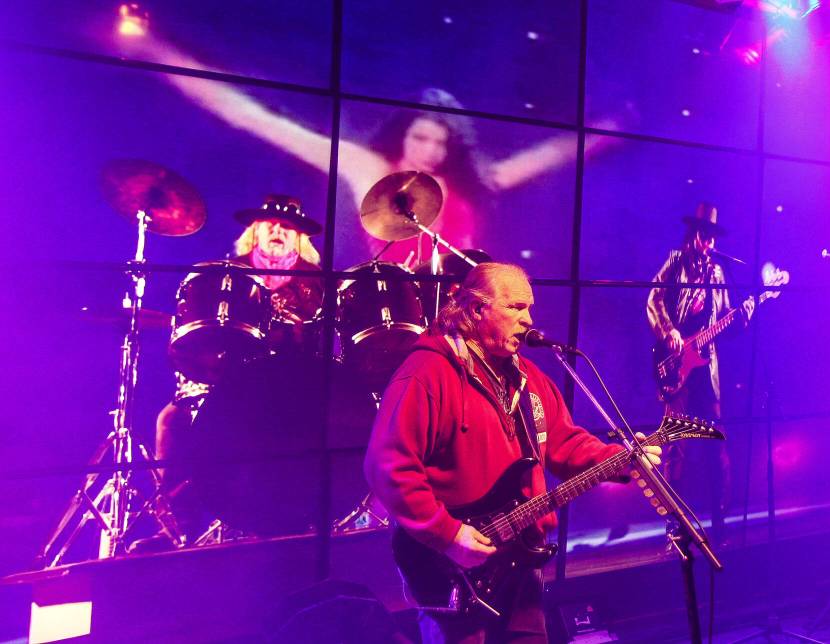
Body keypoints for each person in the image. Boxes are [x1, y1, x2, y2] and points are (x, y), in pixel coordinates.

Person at [118, 30, 625, 267]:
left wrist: (609, 131)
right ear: (404, 135)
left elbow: (549, 157)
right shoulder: (369, 167)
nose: (429, 149)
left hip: (458, 314)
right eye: (420, 136)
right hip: (388, 311)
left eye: (440, 142)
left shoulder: (471, 181)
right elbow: (252, 117)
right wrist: (156, 52)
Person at [365, 262, 661, 643]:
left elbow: (563, 442)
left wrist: (619, 458)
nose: (528, 319)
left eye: (530, 308)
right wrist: (448, 534)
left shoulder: (528, 378)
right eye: (516, 307)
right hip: (452, 569)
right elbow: (388, 466)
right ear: (476, 310)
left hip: (521, 560)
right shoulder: (427, 373)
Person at [153, 195, 324, 539]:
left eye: (287, 227)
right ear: (255, 232)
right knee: (170, 420)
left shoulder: (318, 281)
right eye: (269, 224)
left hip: (289, 384)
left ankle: (292, 517)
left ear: (299, 237)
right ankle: (178, 526)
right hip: (230, 379)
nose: (278, 230)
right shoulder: (228, 272)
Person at [646, 202, 754, 542]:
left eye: (712, 237)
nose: (707, 243)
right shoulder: (675, 263)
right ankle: (673, 523)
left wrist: (744, 315)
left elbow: (724, 323)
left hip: (707, 368)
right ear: (692, 235)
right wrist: (669, 331)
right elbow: (653, 299)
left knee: (715, 443)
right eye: (702, 235)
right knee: (675, 444)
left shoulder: (718, 273)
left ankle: (719, 519)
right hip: (678, 366)